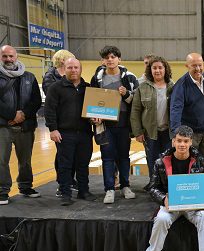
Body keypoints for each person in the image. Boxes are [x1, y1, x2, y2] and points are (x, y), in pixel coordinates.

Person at [134, 125, 204, 251]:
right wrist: (164, 199)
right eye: (179, 141)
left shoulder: (202, 161)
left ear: (191, 142)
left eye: (185, 141)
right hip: (171, 204)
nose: (182, 144)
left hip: (193, 206)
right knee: (161, 219)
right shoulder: (160, 162)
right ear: (173, 141)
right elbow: (153, 187)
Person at [90, 45, 139, 204]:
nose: (110, 60)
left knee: (124, 156)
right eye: (106, 57)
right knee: (107, 157)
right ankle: (109, 189)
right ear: (102, 60)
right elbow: (92, 101)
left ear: (119, 59)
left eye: (113, 57)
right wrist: (94, 116)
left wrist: (126, 94)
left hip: (124, 123)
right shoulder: (97, 78)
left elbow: (135, 101)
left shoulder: (130, 77)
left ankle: (125, 186)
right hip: (105, 125)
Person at [45, 58, 96, 206]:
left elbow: (94, 109)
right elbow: (49, 110)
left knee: (83, 164)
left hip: (85, 133)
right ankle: (65, 193)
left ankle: (83, 191)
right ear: (64, 69)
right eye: (70, 67)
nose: (73, 70)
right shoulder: (55, 88)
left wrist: (96, 119)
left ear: (80, 69)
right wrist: (53, 129)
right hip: (64, 133)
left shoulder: (88, 88)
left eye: (76, 67)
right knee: (65, 165)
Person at [0, 45, 42, 205]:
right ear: (0, 57)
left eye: (11, 56)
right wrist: (12, 115)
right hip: (3, 126)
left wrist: (23, 114)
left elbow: (36, 101)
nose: (8, 59)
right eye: (5, 56)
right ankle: (3, 191)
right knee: (1, 160)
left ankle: (25, 186)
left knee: (25, 159)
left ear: (16, 57)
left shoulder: (29, 77)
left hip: (25, 125)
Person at [131, 56, 174, 188]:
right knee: (152, 160)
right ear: (150, 70)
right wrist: (137, 132)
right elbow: (135, 111)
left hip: (168, 132)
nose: (157, 70)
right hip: (150, 132)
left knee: (168, 160)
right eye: (154, 68)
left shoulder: (173, 86)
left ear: (165, 69)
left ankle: (167, 186)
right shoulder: (142, 87)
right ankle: (154, 184)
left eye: (160, 67)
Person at [170, 53, 204, 162]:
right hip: (190, 135)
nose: (198, 69)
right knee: (190, 164)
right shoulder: (181, 85)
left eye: (200, 65)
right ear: (187, 66)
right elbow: (175, 110)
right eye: (194, 66)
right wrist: (175, 134)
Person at [42, 49, 76, 198]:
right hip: (59, 123)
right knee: (62, 156)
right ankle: (62, 183)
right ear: (63, 60)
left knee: (71, 154)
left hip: (72, 123)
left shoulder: (71, 76)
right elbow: (52, 103)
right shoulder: (50, 77)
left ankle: (70, 181)